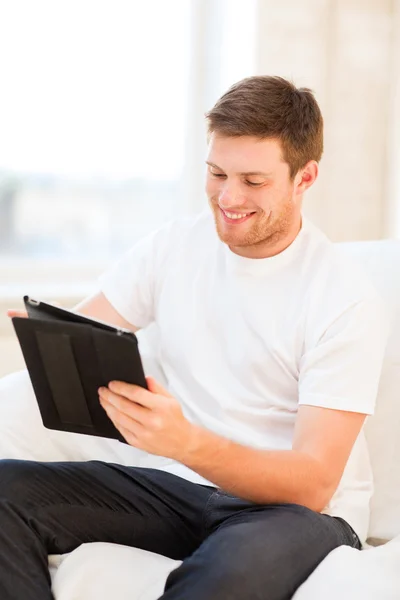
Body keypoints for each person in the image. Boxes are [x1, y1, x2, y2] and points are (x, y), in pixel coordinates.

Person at [3, 75, 389, 600]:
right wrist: (38, 332)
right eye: (216, 173)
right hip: (180, 489)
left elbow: (313, 482)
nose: (228, 197)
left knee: (227, 579)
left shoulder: (343, 297)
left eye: (253, 181)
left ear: (305, 178)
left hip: (295, 512)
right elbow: (76, 336)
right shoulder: (173, 248)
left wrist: (186, 442)